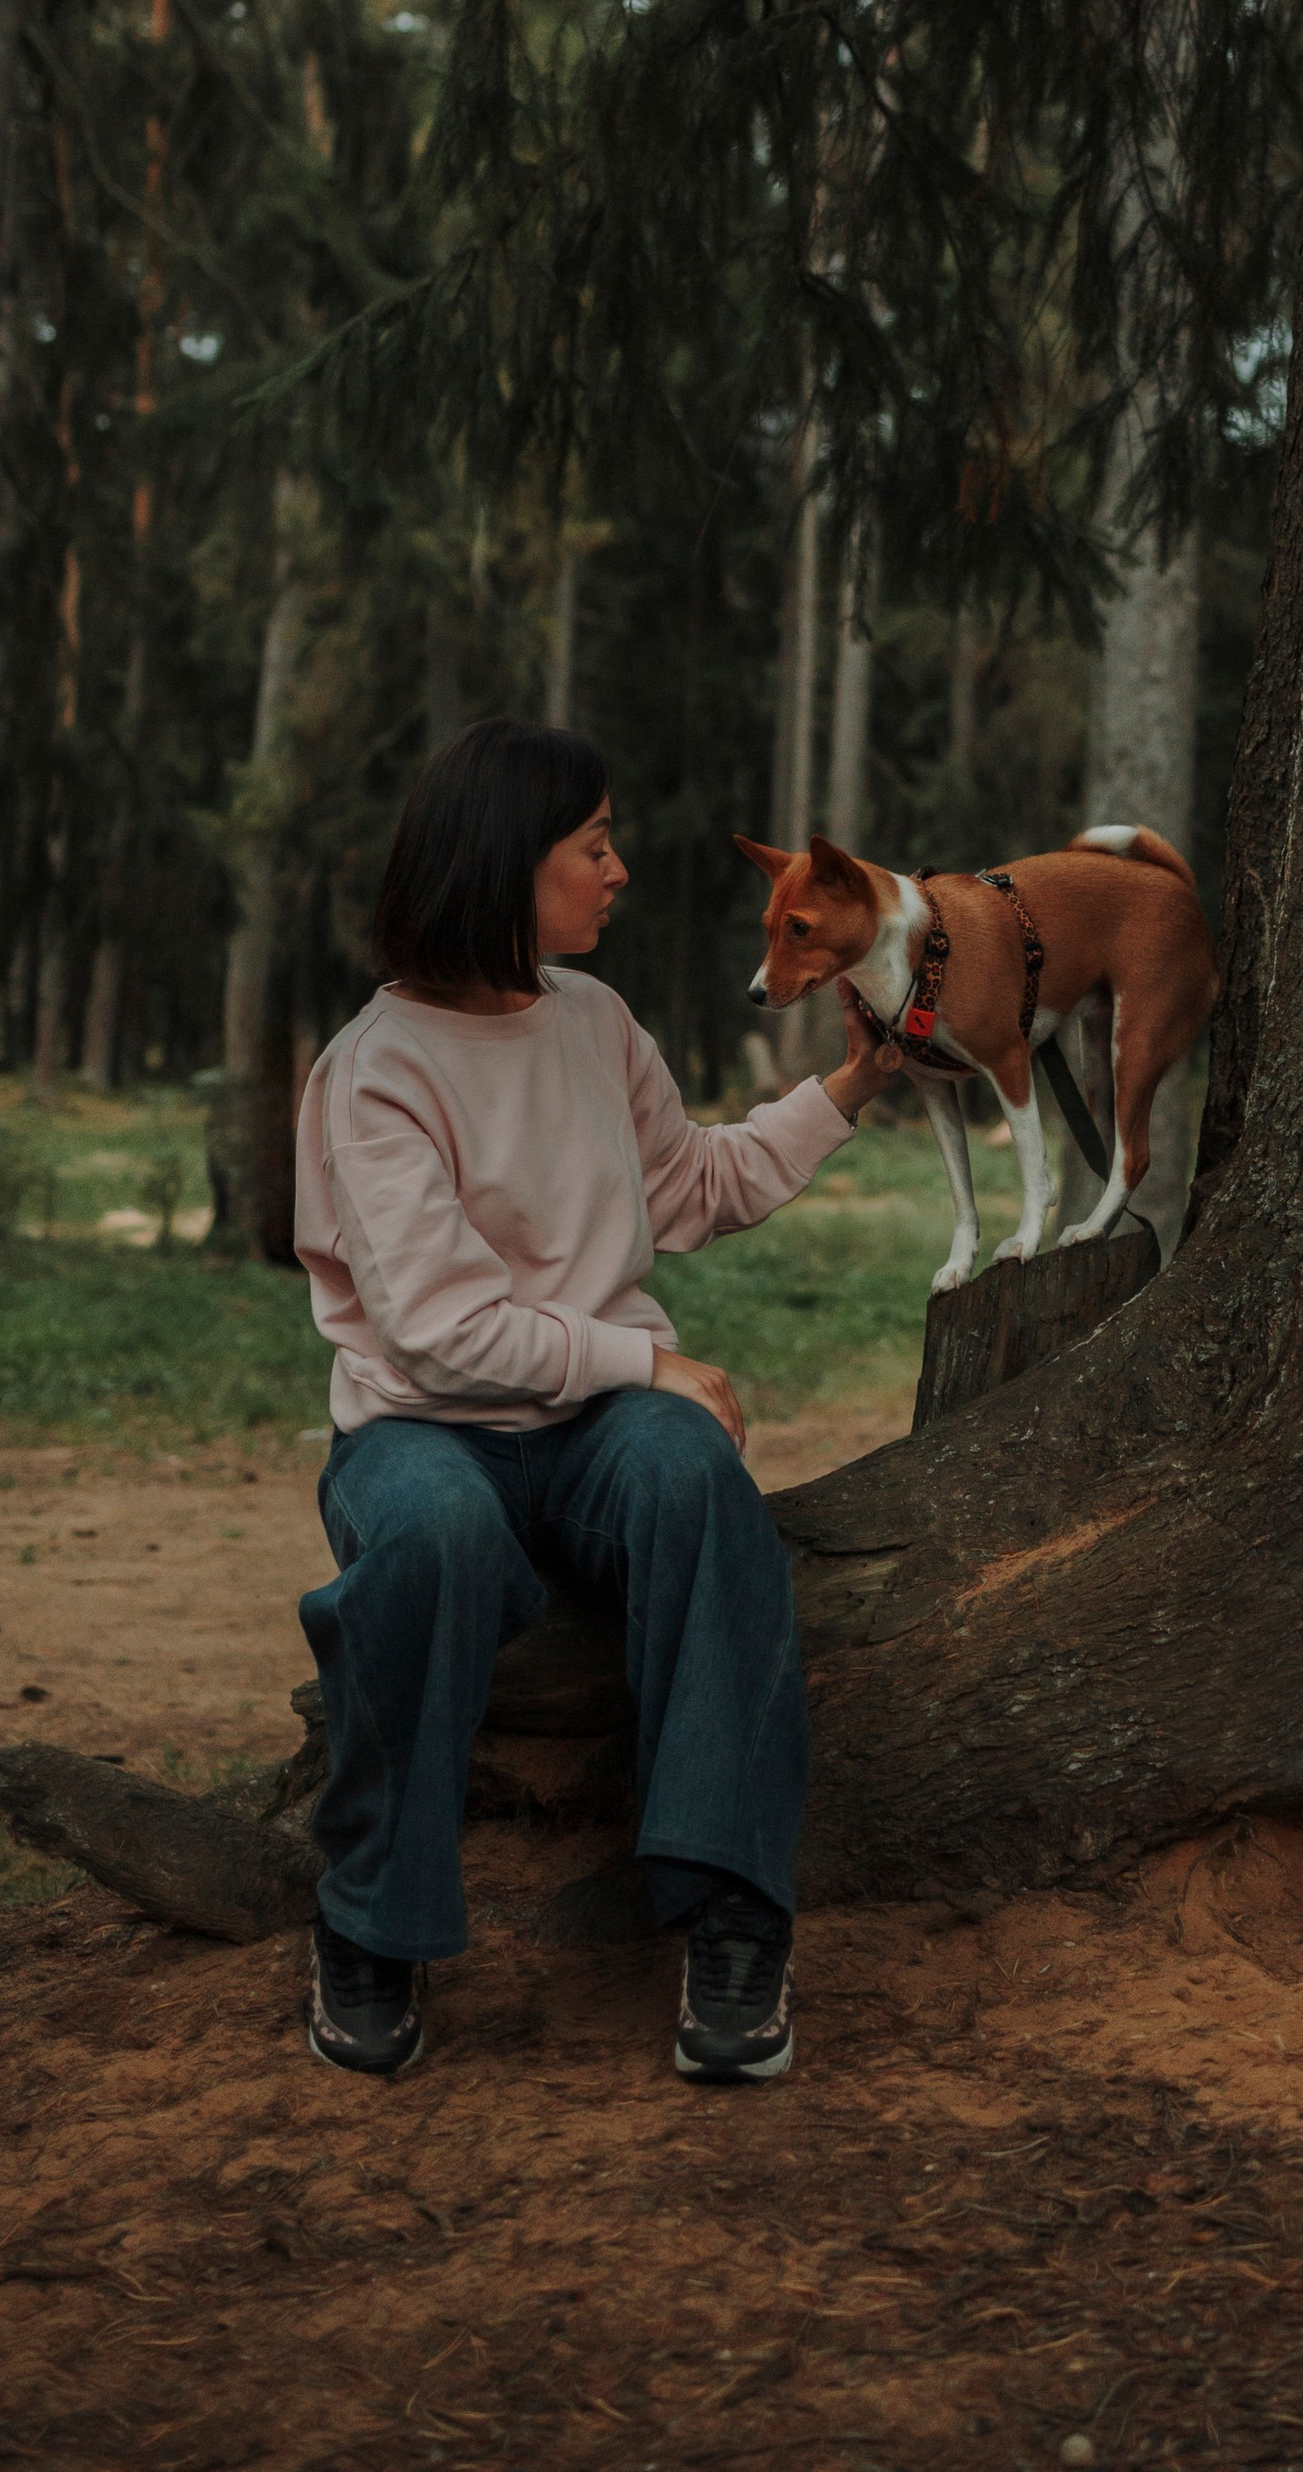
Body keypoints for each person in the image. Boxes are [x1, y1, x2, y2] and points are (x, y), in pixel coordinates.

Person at [290, 715, 887, 2087]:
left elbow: (691, 1189)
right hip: (419, 1432)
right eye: (594, 846)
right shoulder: (376, 1069)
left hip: (602, 1436)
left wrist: (860, 1080)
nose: (619, 870)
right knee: (431, 1540)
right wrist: (644, 1362)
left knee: (697, 1481)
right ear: (509, 866)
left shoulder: (598, 1023)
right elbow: (438, 1333)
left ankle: (736, 1916)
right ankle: (372, 1926)